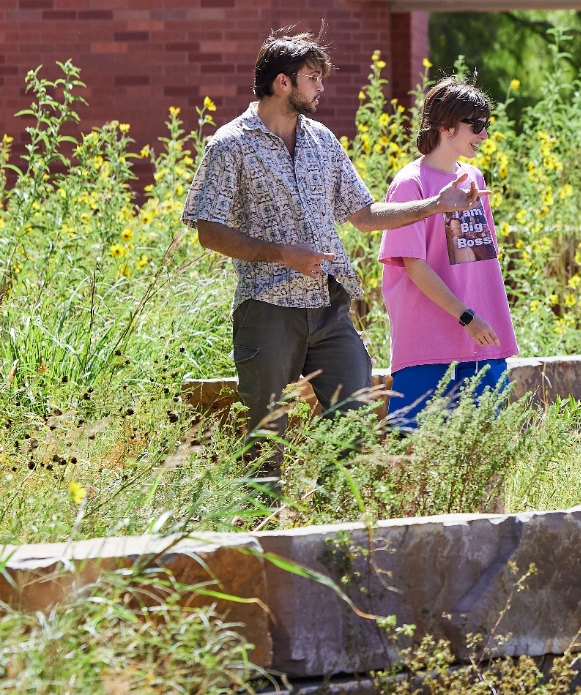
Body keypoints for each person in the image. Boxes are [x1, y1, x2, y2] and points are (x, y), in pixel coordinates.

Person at [181, 30, 470, 456]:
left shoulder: (322, 140)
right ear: (283, 82)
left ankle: (341, 519)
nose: (321, 87)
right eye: (313, 77)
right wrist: (283, 255)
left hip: (330, 307)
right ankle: (263, 520)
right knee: (266, 433)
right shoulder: (229, 145)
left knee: (353, 423)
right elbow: (208, 230)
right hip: (267, 305)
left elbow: (366, 216)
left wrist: (434, 204)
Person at [377, 77, 519, 429]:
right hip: (429, 345)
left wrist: (479, 320)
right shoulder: (411, 184)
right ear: (446, 126)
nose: (484, 135)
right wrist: (467, 317)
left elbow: (480, 262)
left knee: (483, 452)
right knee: (414, 458)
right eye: (478, 125)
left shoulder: (474, 178)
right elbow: (414, 265)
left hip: (482, 341)